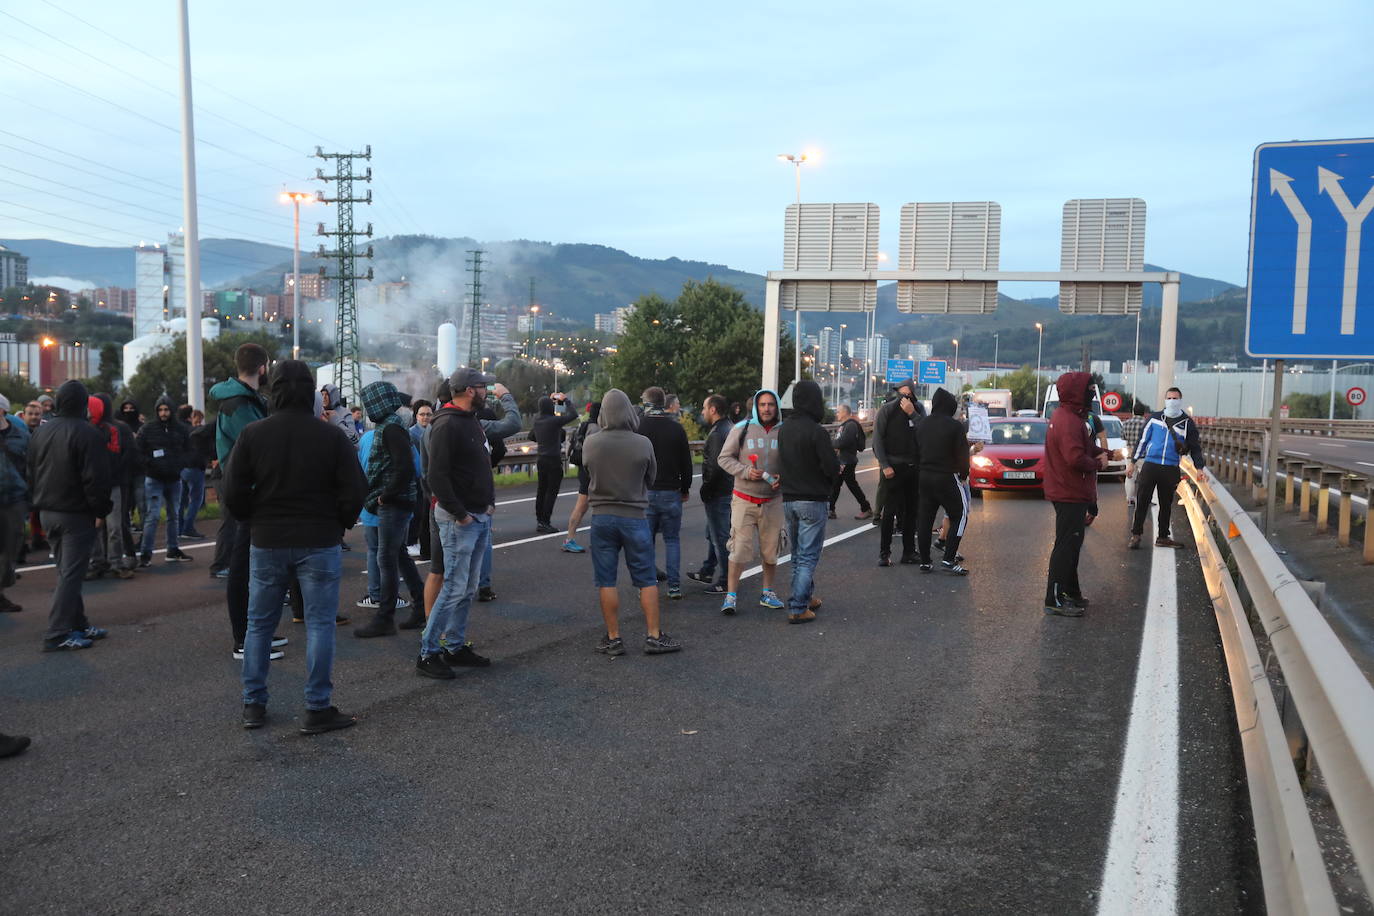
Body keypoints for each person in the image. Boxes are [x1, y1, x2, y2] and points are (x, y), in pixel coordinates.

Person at [222, 360, 367, 734]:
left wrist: (252, 520)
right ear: (309, 393)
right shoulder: (331, 437)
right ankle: (316, 707)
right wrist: (339, 524)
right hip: (319, 539)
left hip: (268, 538)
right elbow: (355, 490)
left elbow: (233, 492)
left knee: (259, 625)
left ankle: (253, 704)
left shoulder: (253, 434)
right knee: (320, 625)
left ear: (273, 391)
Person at [581, 388, 681, 655]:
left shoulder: (591, 442)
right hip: (635, 517)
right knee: (646, 578)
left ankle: (613, 638)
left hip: (602, 517)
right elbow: (651, 479)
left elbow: (587, 473)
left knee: (606, 580)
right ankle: (654, 635)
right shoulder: (642, 443)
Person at [417, 367, 499, 679]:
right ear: (468, 390)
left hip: (477, 515)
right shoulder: (448, 424)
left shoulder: (470, 421)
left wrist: (488, 503)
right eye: (482, 387)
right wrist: (460, 513)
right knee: (453, 586)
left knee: (467, 587)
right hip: (459, 519)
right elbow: (436, 475)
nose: (486, 391)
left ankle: (454, 645)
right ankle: (428, 652)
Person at [29, 380, 112, 651]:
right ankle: (57, 633)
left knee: (67, 572)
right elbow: (96, 478)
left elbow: (31, 469)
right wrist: (100, 510)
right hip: (75, 514)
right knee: (71, 574)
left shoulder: (41, 432)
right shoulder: (88, 433)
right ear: (84, 404)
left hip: (46, 511)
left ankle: (78, 622)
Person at [209, 342, 271, 659]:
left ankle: (256, 633)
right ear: (263, 367)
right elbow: (259, 445)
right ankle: (244, 640)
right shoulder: (238, 404)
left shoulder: (243, 400)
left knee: (253, 565)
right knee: (242, 565)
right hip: (241, 488)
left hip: (243, 485)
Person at [354, 381, 421, 638]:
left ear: (380, 402)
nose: (368, 408)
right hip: (398, 501)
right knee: (399, 555)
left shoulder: (391, 427)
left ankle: (385, 617)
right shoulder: (392, 425)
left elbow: (404, 466)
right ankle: (421, 607)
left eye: (370, 402)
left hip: (394, 502)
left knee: (386, 558)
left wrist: (386, 495)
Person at [1042, 372, 1109, 617]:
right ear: (1076, 392)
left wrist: (1107, 454)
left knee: (1072, 544)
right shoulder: (1069, 421)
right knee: (1066, 546)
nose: (1092, 392)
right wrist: (1098, 464)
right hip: (1069, 491)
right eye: (1089, 389)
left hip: (1070, 490)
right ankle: (1054, 598)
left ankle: (1070, 592)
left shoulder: (1068, 417)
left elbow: (1086, 447)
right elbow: (1075, 457)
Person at [716, 388, 786, 614]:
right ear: (756, 407)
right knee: (738, 549)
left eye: (771, 404)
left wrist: (783, 478)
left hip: (773, 501)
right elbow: (724, 458)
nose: (767, 409)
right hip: (744, 499)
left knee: (771, 549)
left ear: (776, 407)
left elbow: (793, 461)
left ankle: (767, 593)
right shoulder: (741, 429)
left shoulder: (784, 432)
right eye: (763, 404)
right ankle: (731, 595)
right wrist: (746, 471)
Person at [777, 380, 838, 623]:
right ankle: (798, 606)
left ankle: (805, 595)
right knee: (808, 556)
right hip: (813, 499)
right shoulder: (816, 431)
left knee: (798, 553)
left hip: (789, 499)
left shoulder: (784, 429)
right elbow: (831, 467)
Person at [1128, 386, 1205, 550]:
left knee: (1165, 503)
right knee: (1142, 501)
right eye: (1169, 398)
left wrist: (1199, 468)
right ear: (1165, 400)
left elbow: (1195, 447)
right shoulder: (1155, 418)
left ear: (1180, 400)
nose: (1172, 401)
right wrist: (1133, 461)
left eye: (1175, 398)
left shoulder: (1187, 423)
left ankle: (1163, 536)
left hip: (1170, 468)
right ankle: (1136, 534)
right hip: (1150, 465)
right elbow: (1143, 440)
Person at [639, 386, 692, 600]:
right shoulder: (676, 428)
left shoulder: (639, 427)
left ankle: (646, 584)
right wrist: (685, 488)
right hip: (671, 491)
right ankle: (674, 586)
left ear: (647, 402)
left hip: (646, 492)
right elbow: (686, 463)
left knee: (645, 540)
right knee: (672, 540)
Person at [914, 388, 972, 575]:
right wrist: (963, 476)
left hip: (924, 476)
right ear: (950, 406)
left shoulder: (922, 424)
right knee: (960, 514)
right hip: (947, 477)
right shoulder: (955, 426)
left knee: (925, 518)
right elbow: (963, 455)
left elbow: (915, 451)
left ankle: (925, 561)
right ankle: (948, 558)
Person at [872, 379, 923, 566]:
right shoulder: (887, 410)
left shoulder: (919, 410)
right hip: (893, 467)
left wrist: (913, 414)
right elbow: (877, 439)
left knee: (911, 512)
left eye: (907, 394)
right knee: (890, 511)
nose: (904, 397)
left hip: (914, 467)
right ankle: (884, 554)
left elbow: (926, 431)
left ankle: (909, 552)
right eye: (901, 393)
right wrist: (884, 465)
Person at [136, 396, 192, 565]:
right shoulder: (147, 429)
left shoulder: (181, 429)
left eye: (166, 409)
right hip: (154, 478)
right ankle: (146, 553)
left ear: (171, 410)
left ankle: (173, 549)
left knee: (174, 515)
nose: (163, 413)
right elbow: (139, 452)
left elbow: (189, 450)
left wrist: (180, 465)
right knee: (152, 516)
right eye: (160, 410)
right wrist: (150, 465)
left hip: (174, 478)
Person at [83, 395, 134, 581]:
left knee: (114, 528)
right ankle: (98, 562)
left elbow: (116, 457)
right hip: (93, 486)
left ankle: (115, 563)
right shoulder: (83, 429)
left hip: (111, 484)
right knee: (93, 527)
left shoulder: (111, 430)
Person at [686, 394, 732, 593]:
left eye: (705, 408)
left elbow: (715, 466)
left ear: (713, 409)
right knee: (713, 532)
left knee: (719, 536)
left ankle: (725, 580)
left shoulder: (716, 434)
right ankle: (707, 569)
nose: (703, 412)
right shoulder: (729, 427)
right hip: (727, 489)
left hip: (718, 492)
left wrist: (706, 490)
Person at [532, 391, 579, 533]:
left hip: (541, 459)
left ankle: (540, 521)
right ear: (550, 408)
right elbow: (573, 415)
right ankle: (546, 521)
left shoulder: (537, 420)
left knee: (541, 491)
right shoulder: (553, 421)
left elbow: (532, 435)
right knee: (551, 492)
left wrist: (552, 401)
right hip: (553, 460)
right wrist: (565, 400)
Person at [0, 394, 30, 612]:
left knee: (11, 547)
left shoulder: (20, 434)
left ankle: (1, 588)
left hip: (16, 499)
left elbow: (32, 465)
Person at [561, 400, 600, 554]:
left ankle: (570, 539)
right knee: (596, 506)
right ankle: (574, 540)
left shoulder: (583, 425)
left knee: (582, 506)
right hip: (593, 471)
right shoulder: (596, 429)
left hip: (582, 469)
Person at [829, 404, 872, 520]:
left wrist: (830, 443)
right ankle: (830, 509)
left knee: (848, 485)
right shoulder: (844, 426)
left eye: (838, 411)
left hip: (847, 461)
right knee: (836, 485)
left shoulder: (851, 425)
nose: (836, 413)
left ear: (845, 412)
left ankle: (866, 508)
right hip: (842, 460)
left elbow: (842, 442)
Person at [179, 406, 211, 538]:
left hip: (182, 468)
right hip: (195, 468)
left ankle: (179, 528)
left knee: (181, 500)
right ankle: (188, 528)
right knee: (196, 499)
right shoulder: (199, 432)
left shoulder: (180, 430)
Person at [1120, 408, 1148, 506]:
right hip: (1143, 455)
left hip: (1130, 455)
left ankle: (1130, 499)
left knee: (1130, 478)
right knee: (1146, 478)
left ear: (1133, 412)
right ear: (1143, 413)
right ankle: (1144, 499)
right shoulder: (1146, 423)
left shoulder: (1126, 423)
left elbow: (1123, 437)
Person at [321, 384, 361, 449]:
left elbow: (355, 442)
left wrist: (337, 422)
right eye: (322, 394)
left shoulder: (345, 413)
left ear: (333, 396)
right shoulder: (320, 412)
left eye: (327, 394)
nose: (324, 397)